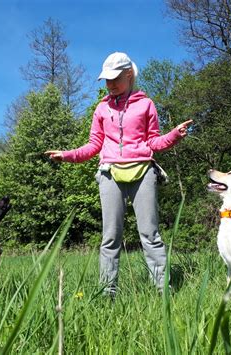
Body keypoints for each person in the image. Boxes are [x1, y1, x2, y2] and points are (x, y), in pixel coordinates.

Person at [45, 52, 192, 296]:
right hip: (109, 173)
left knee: (150, 234)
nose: (110, 84)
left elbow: (154, 142)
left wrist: (174, 135)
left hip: (143, 170)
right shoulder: (101, 108)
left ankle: (162, 291)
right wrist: (68, 155)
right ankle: (107, 293)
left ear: (129, 74)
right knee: (110, 236)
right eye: (106, 80)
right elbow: (94, 145)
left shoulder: (146, 104)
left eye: (115, 78)